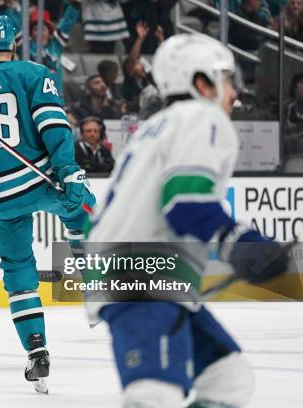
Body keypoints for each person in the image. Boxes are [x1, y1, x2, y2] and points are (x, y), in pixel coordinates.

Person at [85, 33, 290, 407]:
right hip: (142, 275)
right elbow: (184, 202)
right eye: (225, 79)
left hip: (132, 270)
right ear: (200, 82)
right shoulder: (202, 116)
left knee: (228, 379)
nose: (234, 92)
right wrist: (241, 243)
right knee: (154, 394)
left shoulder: (154, 126)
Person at [0, 15, 95, 394]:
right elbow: (53, 126)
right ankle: (89, 277)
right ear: (14, 43)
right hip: (37, 180)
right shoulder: (34, 72)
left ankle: (36, 350)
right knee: (82, 206)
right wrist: (69, 170)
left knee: (17, 270)